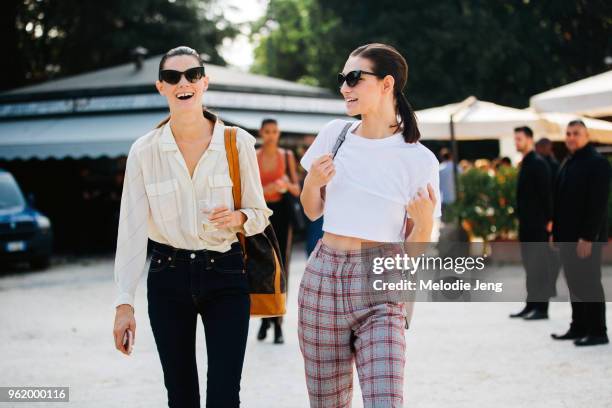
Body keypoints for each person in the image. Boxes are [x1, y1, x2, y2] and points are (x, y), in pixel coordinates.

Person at [111, 46, 272, 407]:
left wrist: (238, 218)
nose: (183, 83)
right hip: (167, 276)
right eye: (172, 77)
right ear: (161, 87)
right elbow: (131, 229)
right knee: (180, 395)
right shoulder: (144, 151)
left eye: (192, 75)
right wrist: (124, 304)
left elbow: (260, 213)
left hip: (226, 273)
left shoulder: (237, 142)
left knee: (224, 395)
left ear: (205, 82)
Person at [298, 43, 440, 407]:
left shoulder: (419, 160)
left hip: (382, 279)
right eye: (342, 79)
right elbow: (312, 211)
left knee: (385, 400)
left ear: (386, 83)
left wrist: (423, 225)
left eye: (354, 78)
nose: (345, 86)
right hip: (323, 278)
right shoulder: (335, 134)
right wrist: (313, 182)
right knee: (328, 403)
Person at [551, 120, 609, 347]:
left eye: (576, 133)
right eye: (568, 133)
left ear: (586, 135)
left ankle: (597, 331)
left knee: (589, 283)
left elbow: (598, 204)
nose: (571, 137)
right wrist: (555, 232)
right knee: (574, 282)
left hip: (585, 238)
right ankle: (579, 327)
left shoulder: (597, 163)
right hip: (567, 236)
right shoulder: (570, 160)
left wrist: (588, 236)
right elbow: (561, 200)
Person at [255, 118, 301, 344]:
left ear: (279, 133)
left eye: (275, 131)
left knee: (282, 267)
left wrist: (285, 186)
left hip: (282, 215)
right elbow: (248, 191)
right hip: (261, 214)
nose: (271, 135)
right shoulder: (254, 157)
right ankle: (265, 318)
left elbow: (297, 189)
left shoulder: (287, 156)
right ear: (261, 133)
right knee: (262, 266)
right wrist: (266, 189)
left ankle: (278, 323)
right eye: (268, 131)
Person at [510, 126, 553, 320]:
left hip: (538, 225)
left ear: (529, 139)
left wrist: (550, 221)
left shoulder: (537, 163)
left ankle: (541, 308)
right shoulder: (527, 163)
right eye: (515, 139)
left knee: (539, 267)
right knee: (530, 267)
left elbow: (547, 194)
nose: (516, 142)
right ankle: (531, 305)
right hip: (527, 225)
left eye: (519, 139)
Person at [535, 137, 562, 297]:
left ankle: (549, 284)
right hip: (549, 217)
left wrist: (551, 218)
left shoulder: (549, 165)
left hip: (550, 218)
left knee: (551, 255)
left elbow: (551, 194)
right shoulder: (550, 164)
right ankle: (549, 284)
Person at [438, 147, 460, 222]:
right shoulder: (457, 168)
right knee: (455, 221)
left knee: (445, 222)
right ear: (451, 156)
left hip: (444, 198)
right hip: (456, 197)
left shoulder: (439, 169)